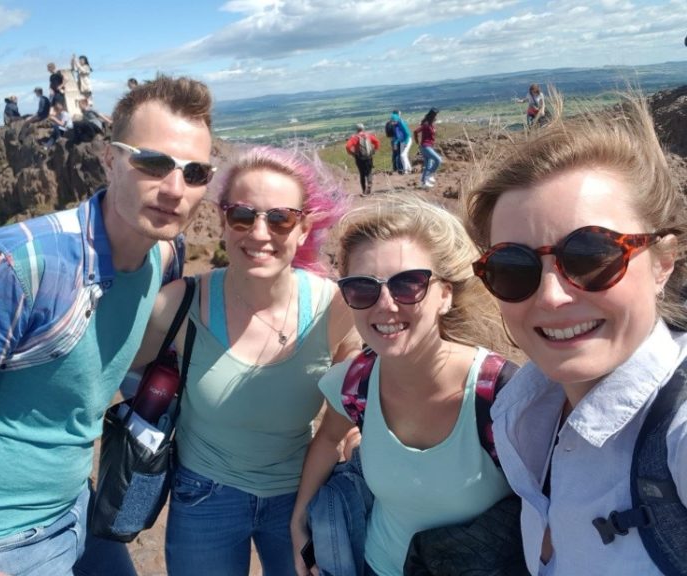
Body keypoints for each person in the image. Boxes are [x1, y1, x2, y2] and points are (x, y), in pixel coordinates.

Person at [0, 75, 214, 576]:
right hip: (3, 537)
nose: (174, 188)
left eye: (195, 172)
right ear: (109, 159)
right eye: (153, 162)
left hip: (82, 509)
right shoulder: (18, 265)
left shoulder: (160, 259)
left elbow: (104, 374)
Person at [464, 94, 687, 574]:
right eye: (512, 266)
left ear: (663, 262)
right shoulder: (528, 410)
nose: (550, 296)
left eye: (590, 256)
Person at [134, 145, 362, 576]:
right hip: (203, 497)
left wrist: (357, 446)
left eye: (280, 218)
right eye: (243, 215)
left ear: (302, 228)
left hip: (297, 495)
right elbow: (109, 372)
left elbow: (351, 408)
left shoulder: (334, 308)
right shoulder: (181, 305)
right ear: (222, 221)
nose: (260, 234)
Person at [291, 194, 517, 576]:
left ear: (445, 295)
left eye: (408, 284)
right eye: (363, 288)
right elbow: (329, 439)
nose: (385, 305)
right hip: (376, 565)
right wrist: (299, 522)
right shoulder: (354, 383)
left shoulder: (501, 395)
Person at [345, 123, 380, 196]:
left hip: (359, 158)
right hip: (369, 157)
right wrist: (374, 150)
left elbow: (348, 146)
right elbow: (377, 142)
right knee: (369, 171)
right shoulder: (369, 135)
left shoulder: (354, 138)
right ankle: (369, 184)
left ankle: (364, 190)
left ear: (356, 129)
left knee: (362, 173)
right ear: (363, 129)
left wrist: (352, 153)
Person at [413, 108, 442, 188]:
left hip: (428, 146)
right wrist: (417, 142)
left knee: (429, 164)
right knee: (438, 160)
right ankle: (429, 176)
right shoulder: (426, 124)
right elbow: (416, 131)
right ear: (433, 116)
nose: (437, 116)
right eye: (436, 115)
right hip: (425, 146)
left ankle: (423, 183)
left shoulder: (431, 124)